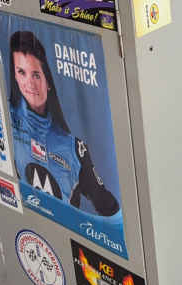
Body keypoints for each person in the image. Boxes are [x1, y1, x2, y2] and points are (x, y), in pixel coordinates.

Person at [8, 30, 119, 217]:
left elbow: (108, 207)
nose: (29, 83)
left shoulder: (72, 147)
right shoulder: (6, 117)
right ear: (15, 77)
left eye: (36, 75)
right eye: (21, 72)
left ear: (48, 81)